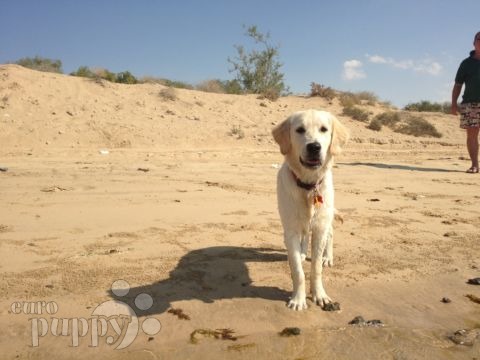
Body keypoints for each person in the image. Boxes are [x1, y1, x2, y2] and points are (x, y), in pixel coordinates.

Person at [452, 31, 480, 173]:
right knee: (472, 135)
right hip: (471, 103)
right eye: (479, 39)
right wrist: (453, 103)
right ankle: (475, 164)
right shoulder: (466, 63)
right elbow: (458, 84)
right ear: (474, 42)